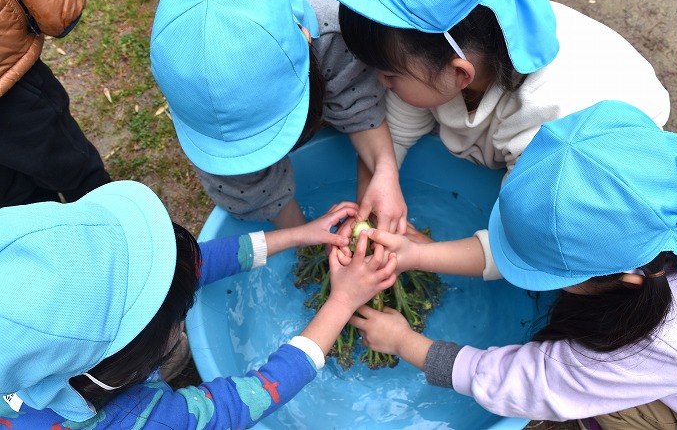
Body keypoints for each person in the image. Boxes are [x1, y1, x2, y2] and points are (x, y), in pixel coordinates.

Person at [348, 100, 677, 429]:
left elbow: (532, 384)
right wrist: (421, 255)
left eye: (549, 273)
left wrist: (404, 343)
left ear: (630, 279)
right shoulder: (665, 187)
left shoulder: (654, 344)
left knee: (615, 408)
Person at [322, 0, 671, 280]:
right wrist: (374, 196)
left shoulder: (552, 130)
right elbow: (396, 131)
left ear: (460, 74)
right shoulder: (439, 50)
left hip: (595, 164)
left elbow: (532, 248)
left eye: (389, 75)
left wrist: (420, 255)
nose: (379, 82)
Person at [0, 180, 397, 428]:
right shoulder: (150, 421)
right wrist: (342, 302)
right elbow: (243, 401)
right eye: (176, 311)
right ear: (127, 359)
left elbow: (190, 268)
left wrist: (299, 234)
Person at [149, 0, 407, 234]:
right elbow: (240, 181)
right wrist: (304, 238)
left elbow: (360, 107)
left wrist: (385, 171)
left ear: (306, 38)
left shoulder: (334, 37)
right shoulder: (192, 97)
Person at [0, 0, 111, 207]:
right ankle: (106, 212)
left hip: (7, 70)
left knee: (18, 195)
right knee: (69, 165)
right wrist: (58, 7)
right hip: (9, 76)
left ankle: (98, 210)